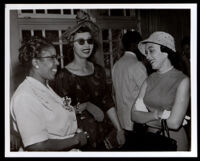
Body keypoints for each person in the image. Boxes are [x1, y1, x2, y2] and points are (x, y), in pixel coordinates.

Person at [49, 10, 125, 151]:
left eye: (89, 41)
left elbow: (107, 101)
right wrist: (84, 106)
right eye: (81, 41)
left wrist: (119, 129)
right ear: (72, 44)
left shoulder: (99, 70)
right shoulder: (63, 76)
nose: (86, 45)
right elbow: (60, 112)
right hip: (80, 138)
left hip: (105, 134)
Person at [10, 36, 88, 151]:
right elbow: (36, 146)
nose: (57, 62)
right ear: (36, 62)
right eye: (52, 58)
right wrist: (75, 140)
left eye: (56, 57)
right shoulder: (24, 97)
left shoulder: (45, 87)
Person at [132, 31, 190, 151]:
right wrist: (158, 114)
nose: (147, 56)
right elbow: (133, 115)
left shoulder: (182, 80)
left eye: (151, 51)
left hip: (173, 141)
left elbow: (174, 124)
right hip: (150, 139)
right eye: (146, 52)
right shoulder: (149, 79)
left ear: (166, 51)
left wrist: (145, 119)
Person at [112, 31, 147, 145]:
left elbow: (113, 94)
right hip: (135, 122)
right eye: (141, 44)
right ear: (135, 45)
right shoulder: (137, 65)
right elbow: (147, 95)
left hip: (120, 121)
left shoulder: (116, 65)